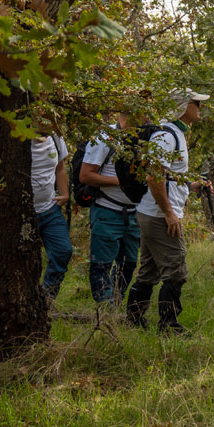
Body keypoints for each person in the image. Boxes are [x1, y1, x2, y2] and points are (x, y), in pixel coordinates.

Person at [126, 89, 210, 334]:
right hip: (158, 214)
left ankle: (134, 321)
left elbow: (170, 175)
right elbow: (153, 176)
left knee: (149, 270)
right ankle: (169, 326)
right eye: (197, 103)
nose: (200, 108)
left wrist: (192, 185)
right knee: (176, 269)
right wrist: (169, 212)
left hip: (156, 212)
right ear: (184, 106)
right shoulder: (165, 135)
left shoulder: (177, 134)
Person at [0, 133, 72, 301]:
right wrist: (5, 203)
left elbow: (60, 169)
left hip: (50, 210)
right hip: (20, 214)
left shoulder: (56, 138)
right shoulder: (13, 140)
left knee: (63, 251)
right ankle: (19, 301)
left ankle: (46, 299)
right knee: (19, 260)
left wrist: (65, 194)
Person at [80, 111, 140, 307]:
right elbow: (86, 175)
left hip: (134, 214)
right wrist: (122, 182)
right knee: (102, 265)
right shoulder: (105, 137)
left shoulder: (145, 139)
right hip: (107, 210)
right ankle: (106, 311)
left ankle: (116, 303)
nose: (149, 118)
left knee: (129, 263)